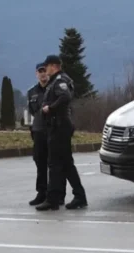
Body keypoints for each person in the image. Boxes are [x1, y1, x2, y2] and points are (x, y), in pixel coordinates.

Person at [35, 54, 88, 211]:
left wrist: (50, 108)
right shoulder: (56, 81)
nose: (46, 69)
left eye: (47, 66)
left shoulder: (60, 80)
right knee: (64, 163)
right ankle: (78, 196)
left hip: (59, 126)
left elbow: (65, 97)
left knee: (55, 163)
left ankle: (53, 199)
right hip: (58, 126)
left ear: (54, 66)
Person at [26, 62, 50, 206]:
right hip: (38, 130)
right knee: (39, 162)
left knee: (54, 164)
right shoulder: (32, 92)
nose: (42, 74)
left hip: (53, 130)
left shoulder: (54, 89)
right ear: (36, 74)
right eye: (40, 71)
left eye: (44, 71)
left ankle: (56, 194)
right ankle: (41, 192)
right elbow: (32, 111)